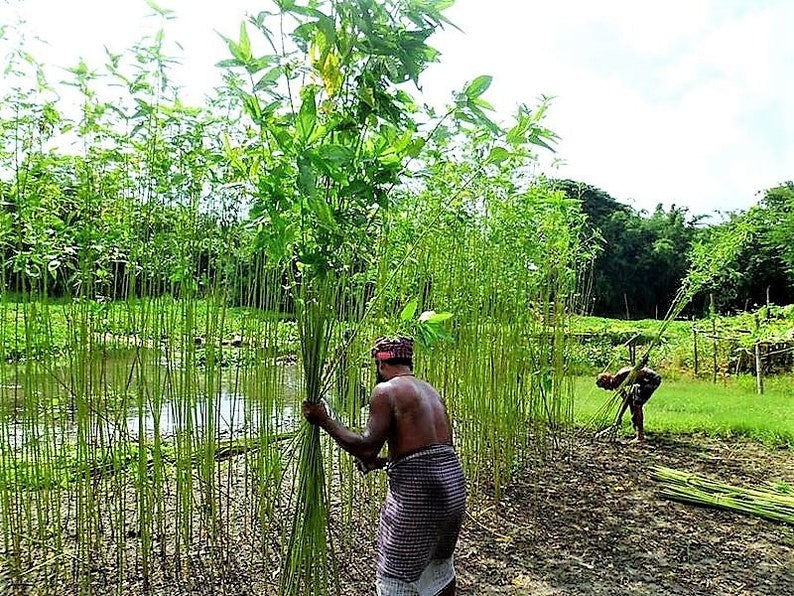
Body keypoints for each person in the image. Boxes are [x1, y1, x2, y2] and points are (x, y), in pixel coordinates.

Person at [302, 335, 466, 596]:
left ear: (381, 363)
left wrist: (323, 420)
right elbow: (431, 454)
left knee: (396, 574)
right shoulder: (431, 391)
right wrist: (380, 463)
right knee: (439, 564)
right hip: (453, 489)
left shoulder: (386, 390)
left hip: (419, 495)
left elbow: (366, 446)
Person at [595, 356, 661, 443]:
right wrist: (619, 418)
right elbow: (627, 400)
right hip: (641, 383)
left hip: (651, 380)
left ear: (607, 379)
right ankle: (636, 427)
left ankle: (640, 436)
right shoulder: (617, 386)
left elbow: (639, 370)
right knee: (633, 402)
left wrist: (642, 362)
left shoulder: (621, 375)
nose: (607, 389)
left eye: (605, 386)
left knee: (637, 405)